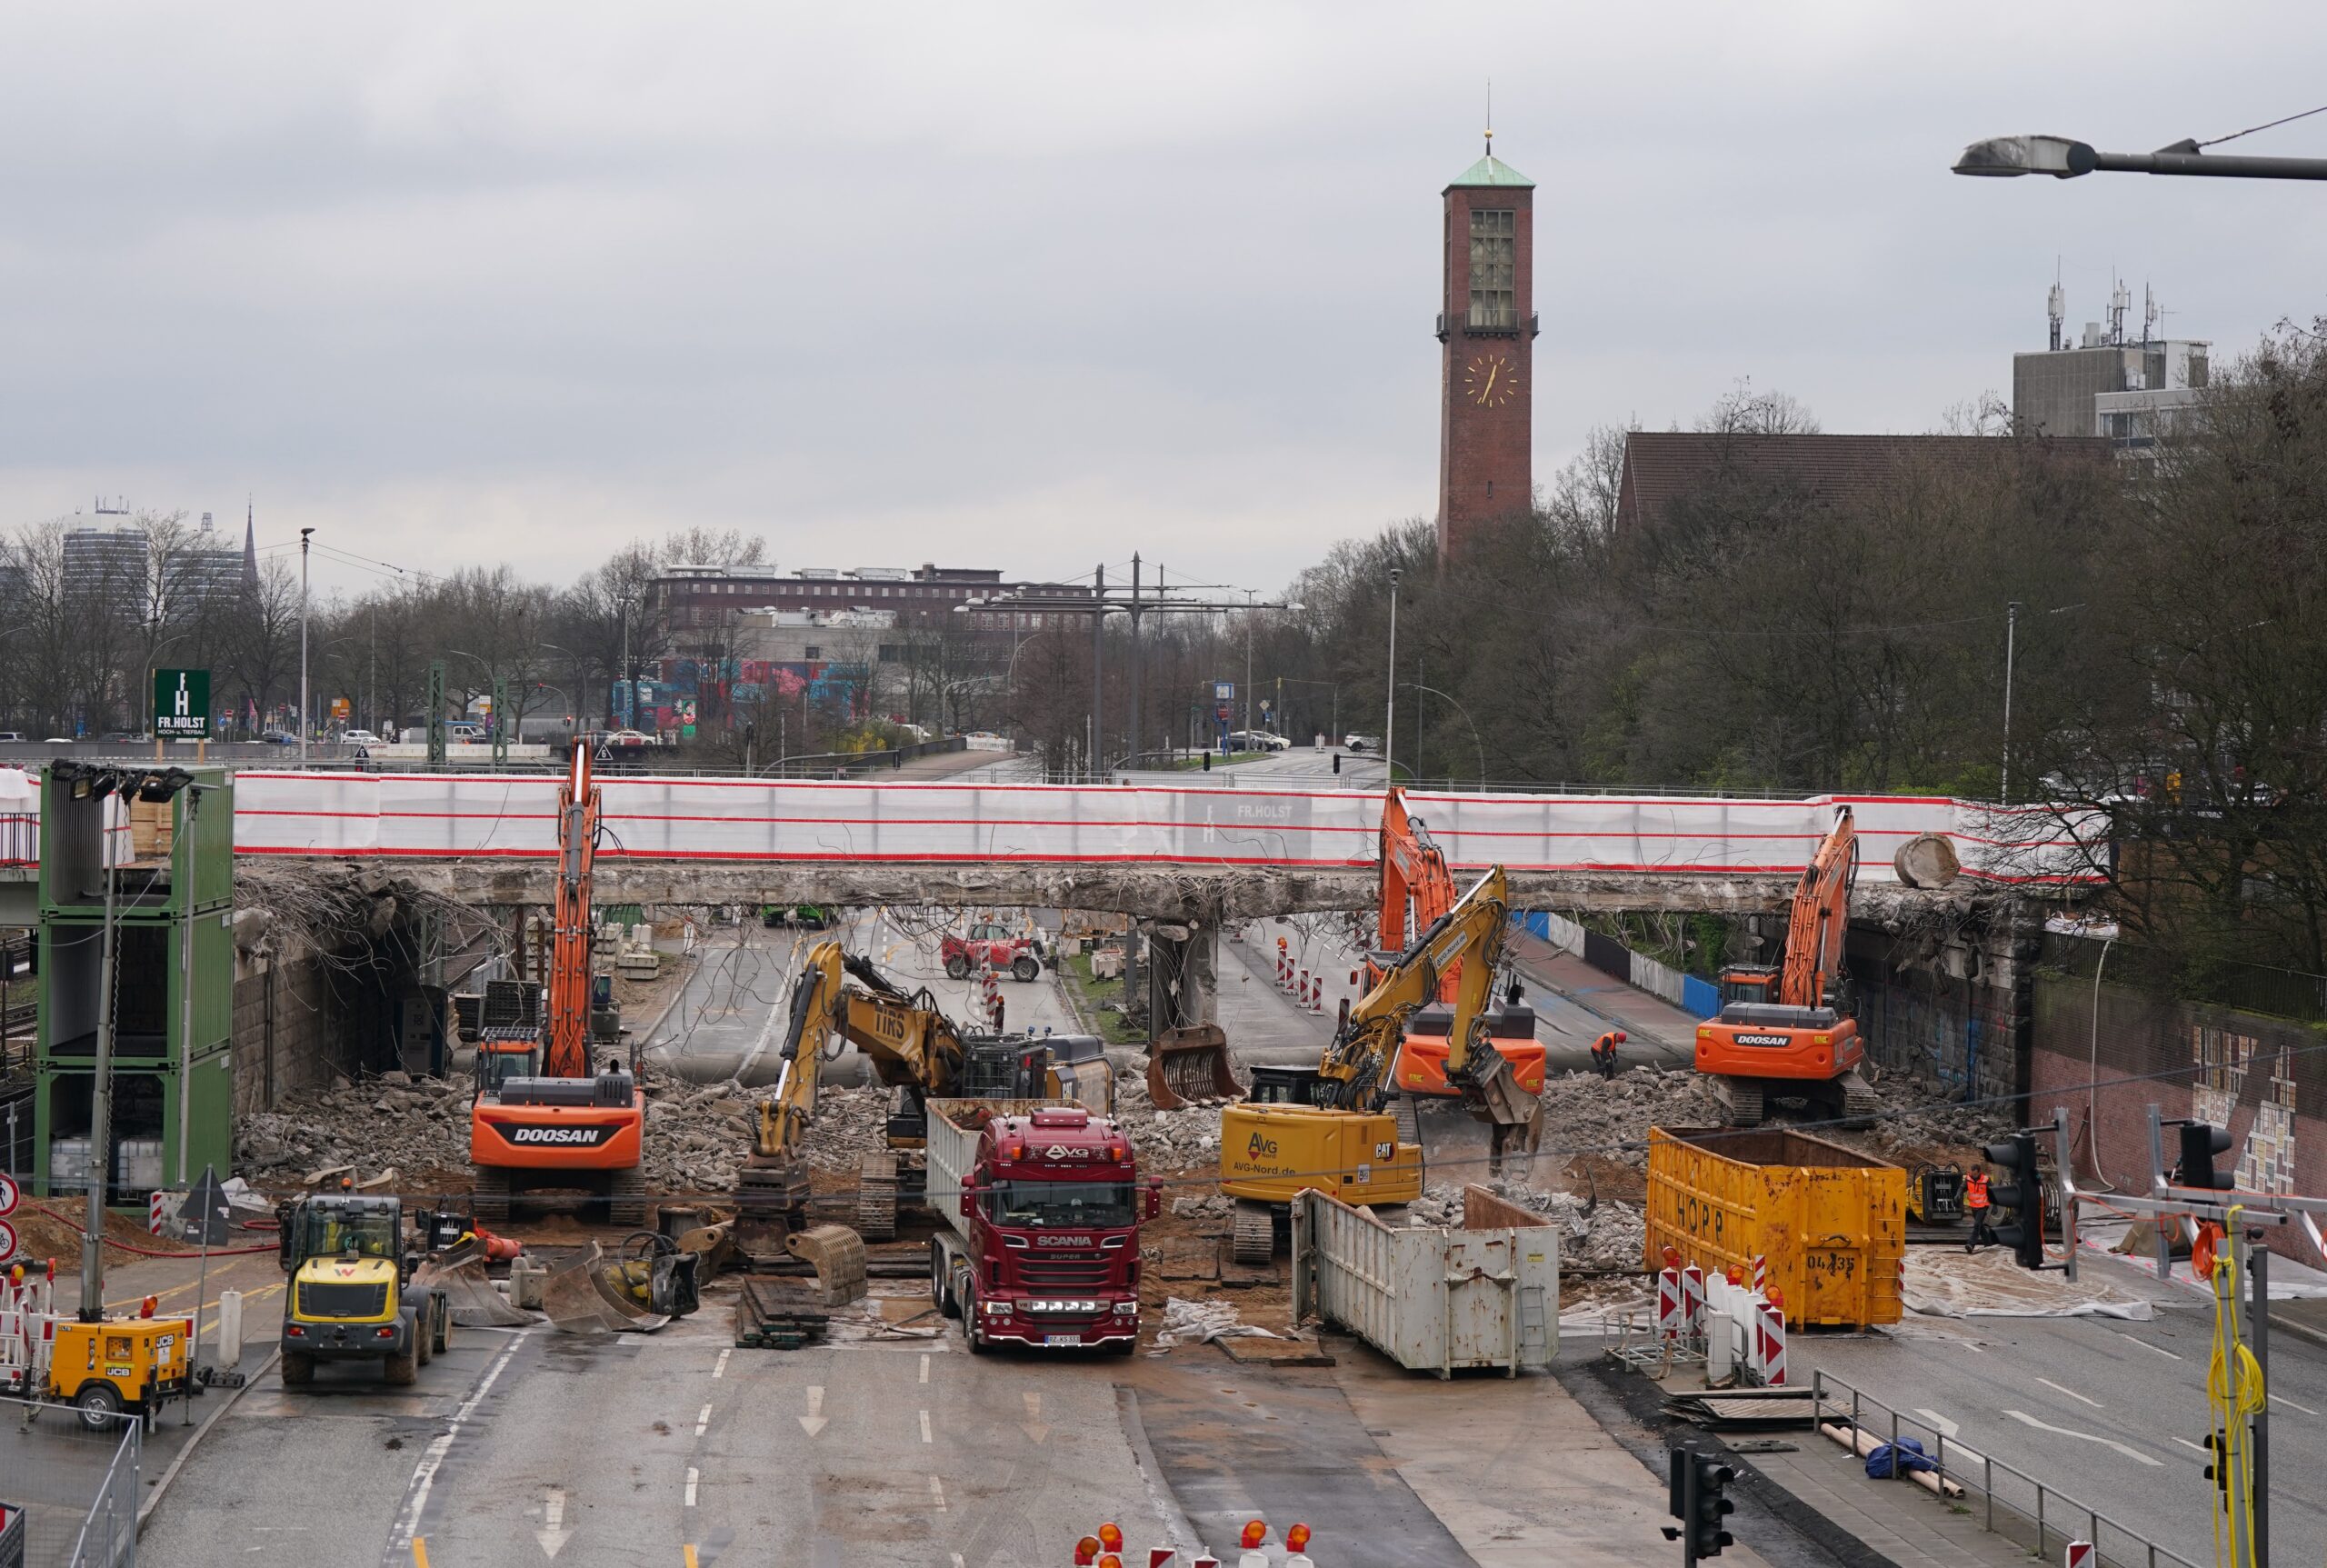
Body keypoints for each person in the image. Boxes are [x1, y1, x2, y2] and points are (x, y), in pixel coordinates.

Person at [1964, 1168, 1991, 1251]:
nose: (1973, 1176)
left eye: (1975, 1174)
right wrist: (1958, 1194)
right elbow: (1962, 1187)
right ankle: (1989, 1243)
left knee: (1976, 1225)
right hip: (1974, 1206)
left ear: (1980, 1172)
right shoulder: (1969, 1178)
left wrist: (1996, 1206)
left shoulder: (1986, 1180)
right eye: (1972, 1174)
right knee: (1980, 1225)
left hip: (1983, 1206)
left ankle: (1971, 1244)